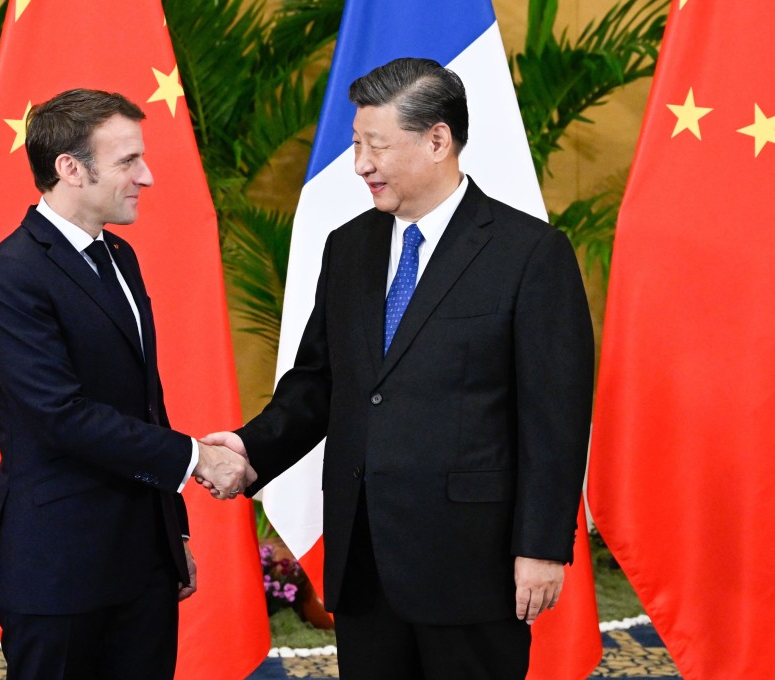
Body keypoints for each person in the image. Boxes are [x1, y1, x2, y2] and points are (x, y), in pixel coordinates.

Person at [203, 58, 594, 679]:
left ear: (437, 140)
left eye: (375, 145)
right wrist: (251, 447)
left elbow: (555, 416)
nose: (360, 164)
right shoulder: (349, 246)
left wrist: (543, 547)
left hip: (473, 563)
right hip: (365, 560)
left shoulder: (530, 254)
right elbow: (318, 382)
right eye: (356, 144)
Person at [0, 88, 251, 680]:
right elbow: (59, 415)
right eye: (128, 161)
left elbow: (146, 400)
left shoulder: (120, 256)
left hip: (142, 562)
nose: (145, 176)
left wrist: (171, 534)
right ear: (70, 168)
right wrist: (196, 457)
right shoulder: (8, 274)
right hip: (60, 567)